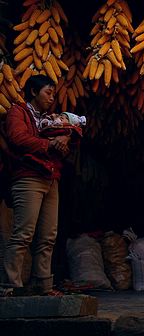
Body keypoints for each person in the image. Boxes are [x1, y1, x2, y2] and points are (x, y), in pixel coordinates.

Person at [2, 74, 71, 297]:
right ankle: (9, 284)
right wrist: (50, 143)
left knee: (48, 236)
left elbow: (66, 135)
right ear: (33, 92)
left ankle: (43, 285)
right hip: (28, 177)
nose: (52, 98)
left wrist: (64, 139)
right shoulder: (18, 111)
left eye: (53, 93)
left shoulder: (48, 118)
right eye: (48, 93)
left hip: (50, 178)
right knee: (23, 234)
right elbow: (18, 138)